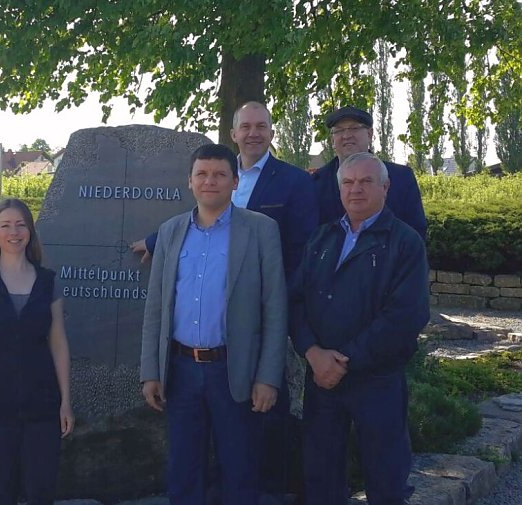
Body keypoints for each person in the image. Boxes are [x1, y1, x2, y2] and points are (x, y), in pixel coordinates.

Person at [140, 143, 287, 504]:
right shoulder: (171, 231)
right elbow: (156, 307)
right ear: (189, 181)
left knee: (239, 471)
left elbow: (275, 308)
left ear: (235, 181)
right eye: (202, 174)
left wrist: (268, 377)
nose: (210, 181)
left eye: (220, 174)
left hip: (233, 370)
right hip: (180, 370)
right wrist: (150, 371)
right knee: (184, 472)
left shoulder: (261, 230)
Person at [290, 152, 430, 504]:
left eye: (366, 182)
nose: (356, 189)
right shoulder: (321, 239)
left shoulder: (405, 242)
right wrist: (312, 352)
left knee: (385, 480)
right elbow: (296, 302)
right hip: (321, 380)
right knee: (321, 477)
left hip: (377, 381)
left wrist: (343, 360)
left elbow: (406, 316)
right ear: (339, 191)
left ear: (385, 187)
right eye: (348, 183)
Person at [0, 198, 74, 505]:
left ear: (30, 231)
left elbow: (58, 342)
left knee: (40, 490)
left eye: (21, 224)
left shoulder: (48, 281)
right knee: (3, 490)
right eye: (5, 225)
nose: (14, 232)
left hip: (43, 403)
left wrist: (66, 402)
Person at [132, 101, 318, 279]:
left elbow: (302, 250)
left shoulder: (296, 182)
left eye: (261, 126)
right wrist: (155, 242)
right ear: (234, 134)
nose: (253, 133)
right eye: (245, 127)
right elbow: (199, 217)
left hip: (258, 293)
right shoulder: (216, 176)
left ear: (272, 133)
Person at [312, 105, 427, 239]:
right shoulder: (315, 182)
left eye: (354, 128)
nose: (346, 135)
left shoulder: (401, 177)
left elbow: (417, 231)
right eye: (339, 130)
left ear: (369, 134)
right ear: (332, 140)